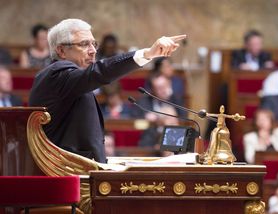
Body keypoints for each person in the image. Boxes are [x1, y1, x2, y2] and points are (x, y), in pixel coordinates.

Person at [29, 18, 185, 163]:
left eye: (93, 44)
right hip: (66, 177)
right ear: (62, 51)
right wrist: (147, 54)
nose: (93, 50)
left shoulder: (71, 77)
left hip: (76, 170)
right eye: (84, 44)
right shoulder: (58, 74)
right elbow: (100, 71)